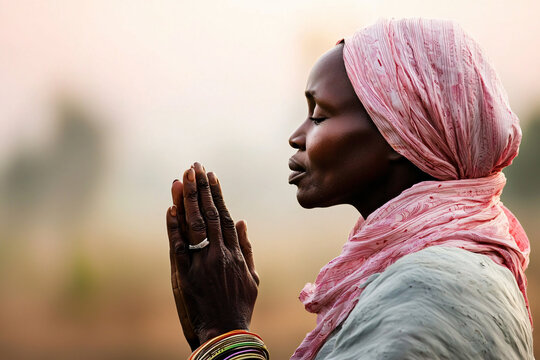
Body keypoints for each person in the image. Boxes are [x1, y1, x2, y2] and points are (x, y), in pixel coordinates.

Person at [166, 18, 534, 359]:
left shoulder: (430, 293)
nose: (297, 137)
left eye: (320, 116)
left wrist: (222, 330)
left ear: (397, 133)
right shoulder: (443, 266)